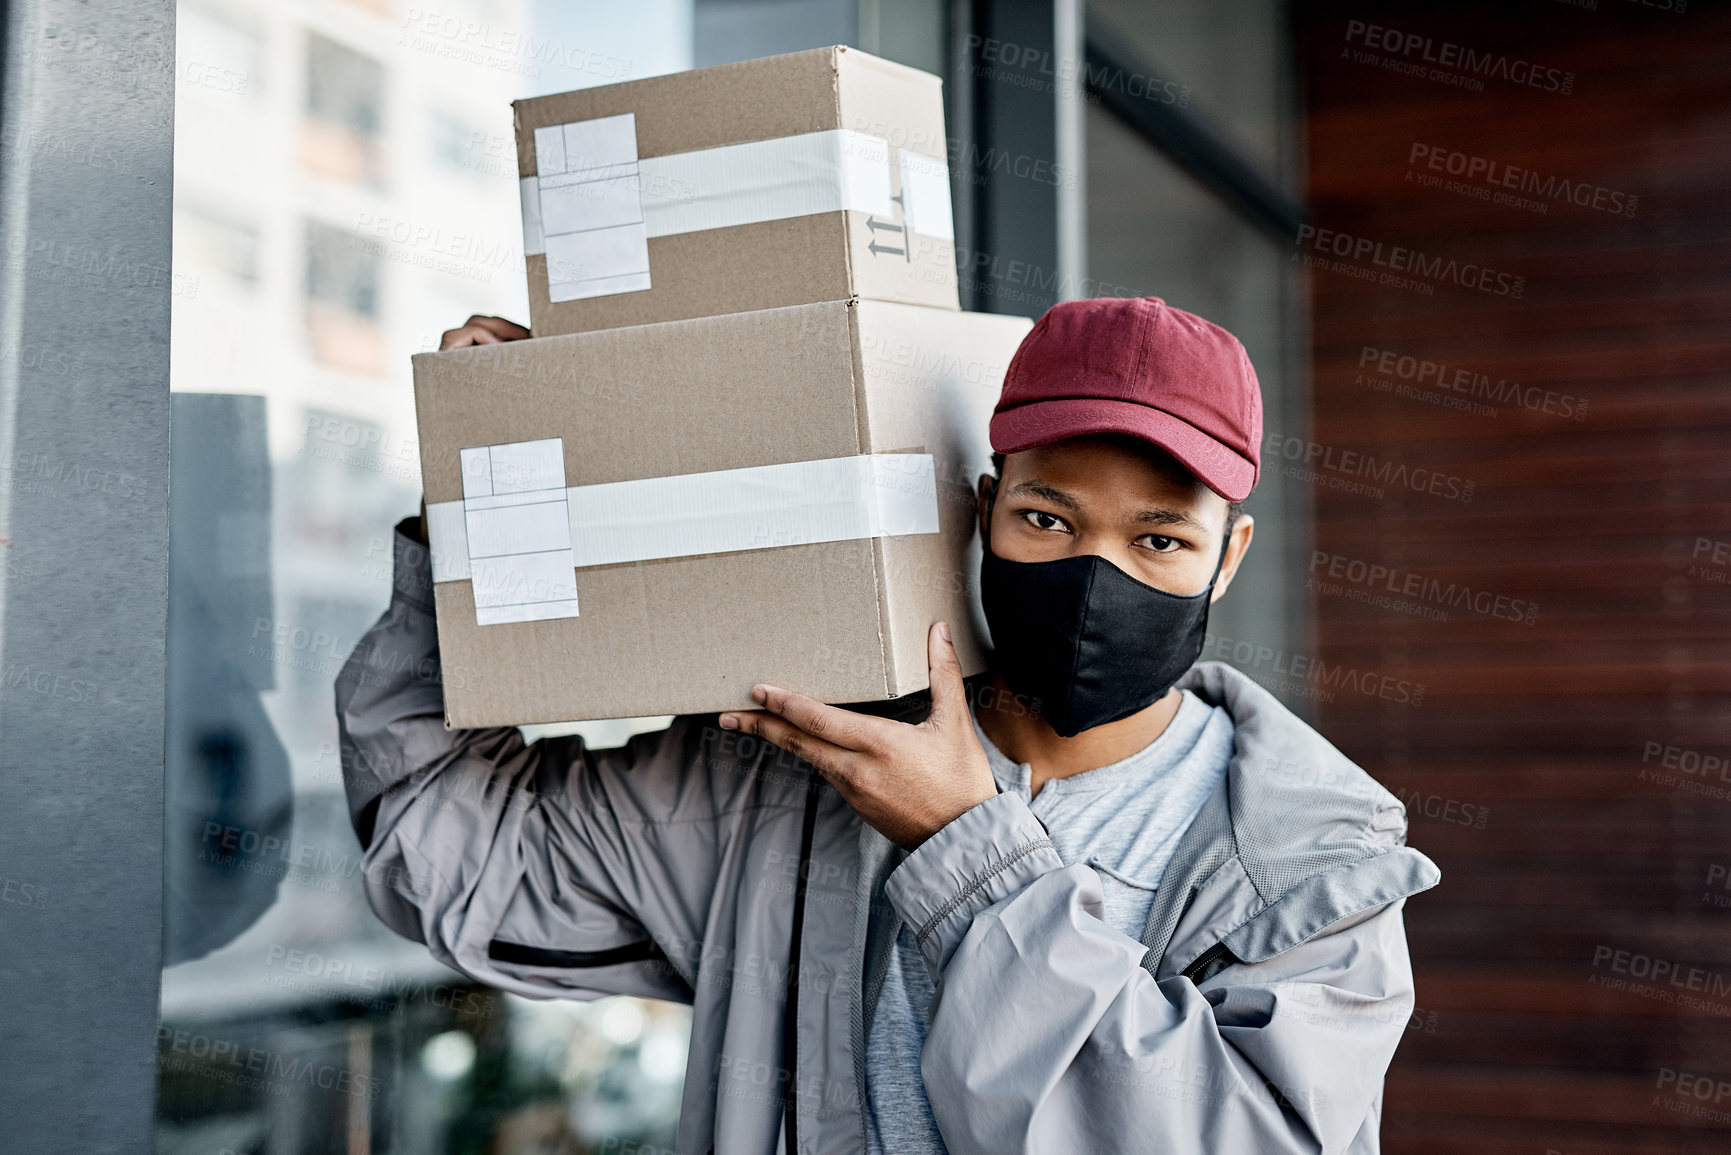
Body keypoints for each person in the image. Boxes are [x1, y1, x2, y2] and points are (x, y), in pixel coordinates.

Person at [337, 297, 1440, 1155]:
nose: (1096, 577)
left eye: (1160, 541)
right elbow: (448, 850)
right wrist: (476, 517)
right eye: (1047, 519)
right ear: (982, 507)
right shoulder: (795, 772)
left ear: (1229, 557)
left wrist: (969, 854)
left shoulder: (1310, 875)